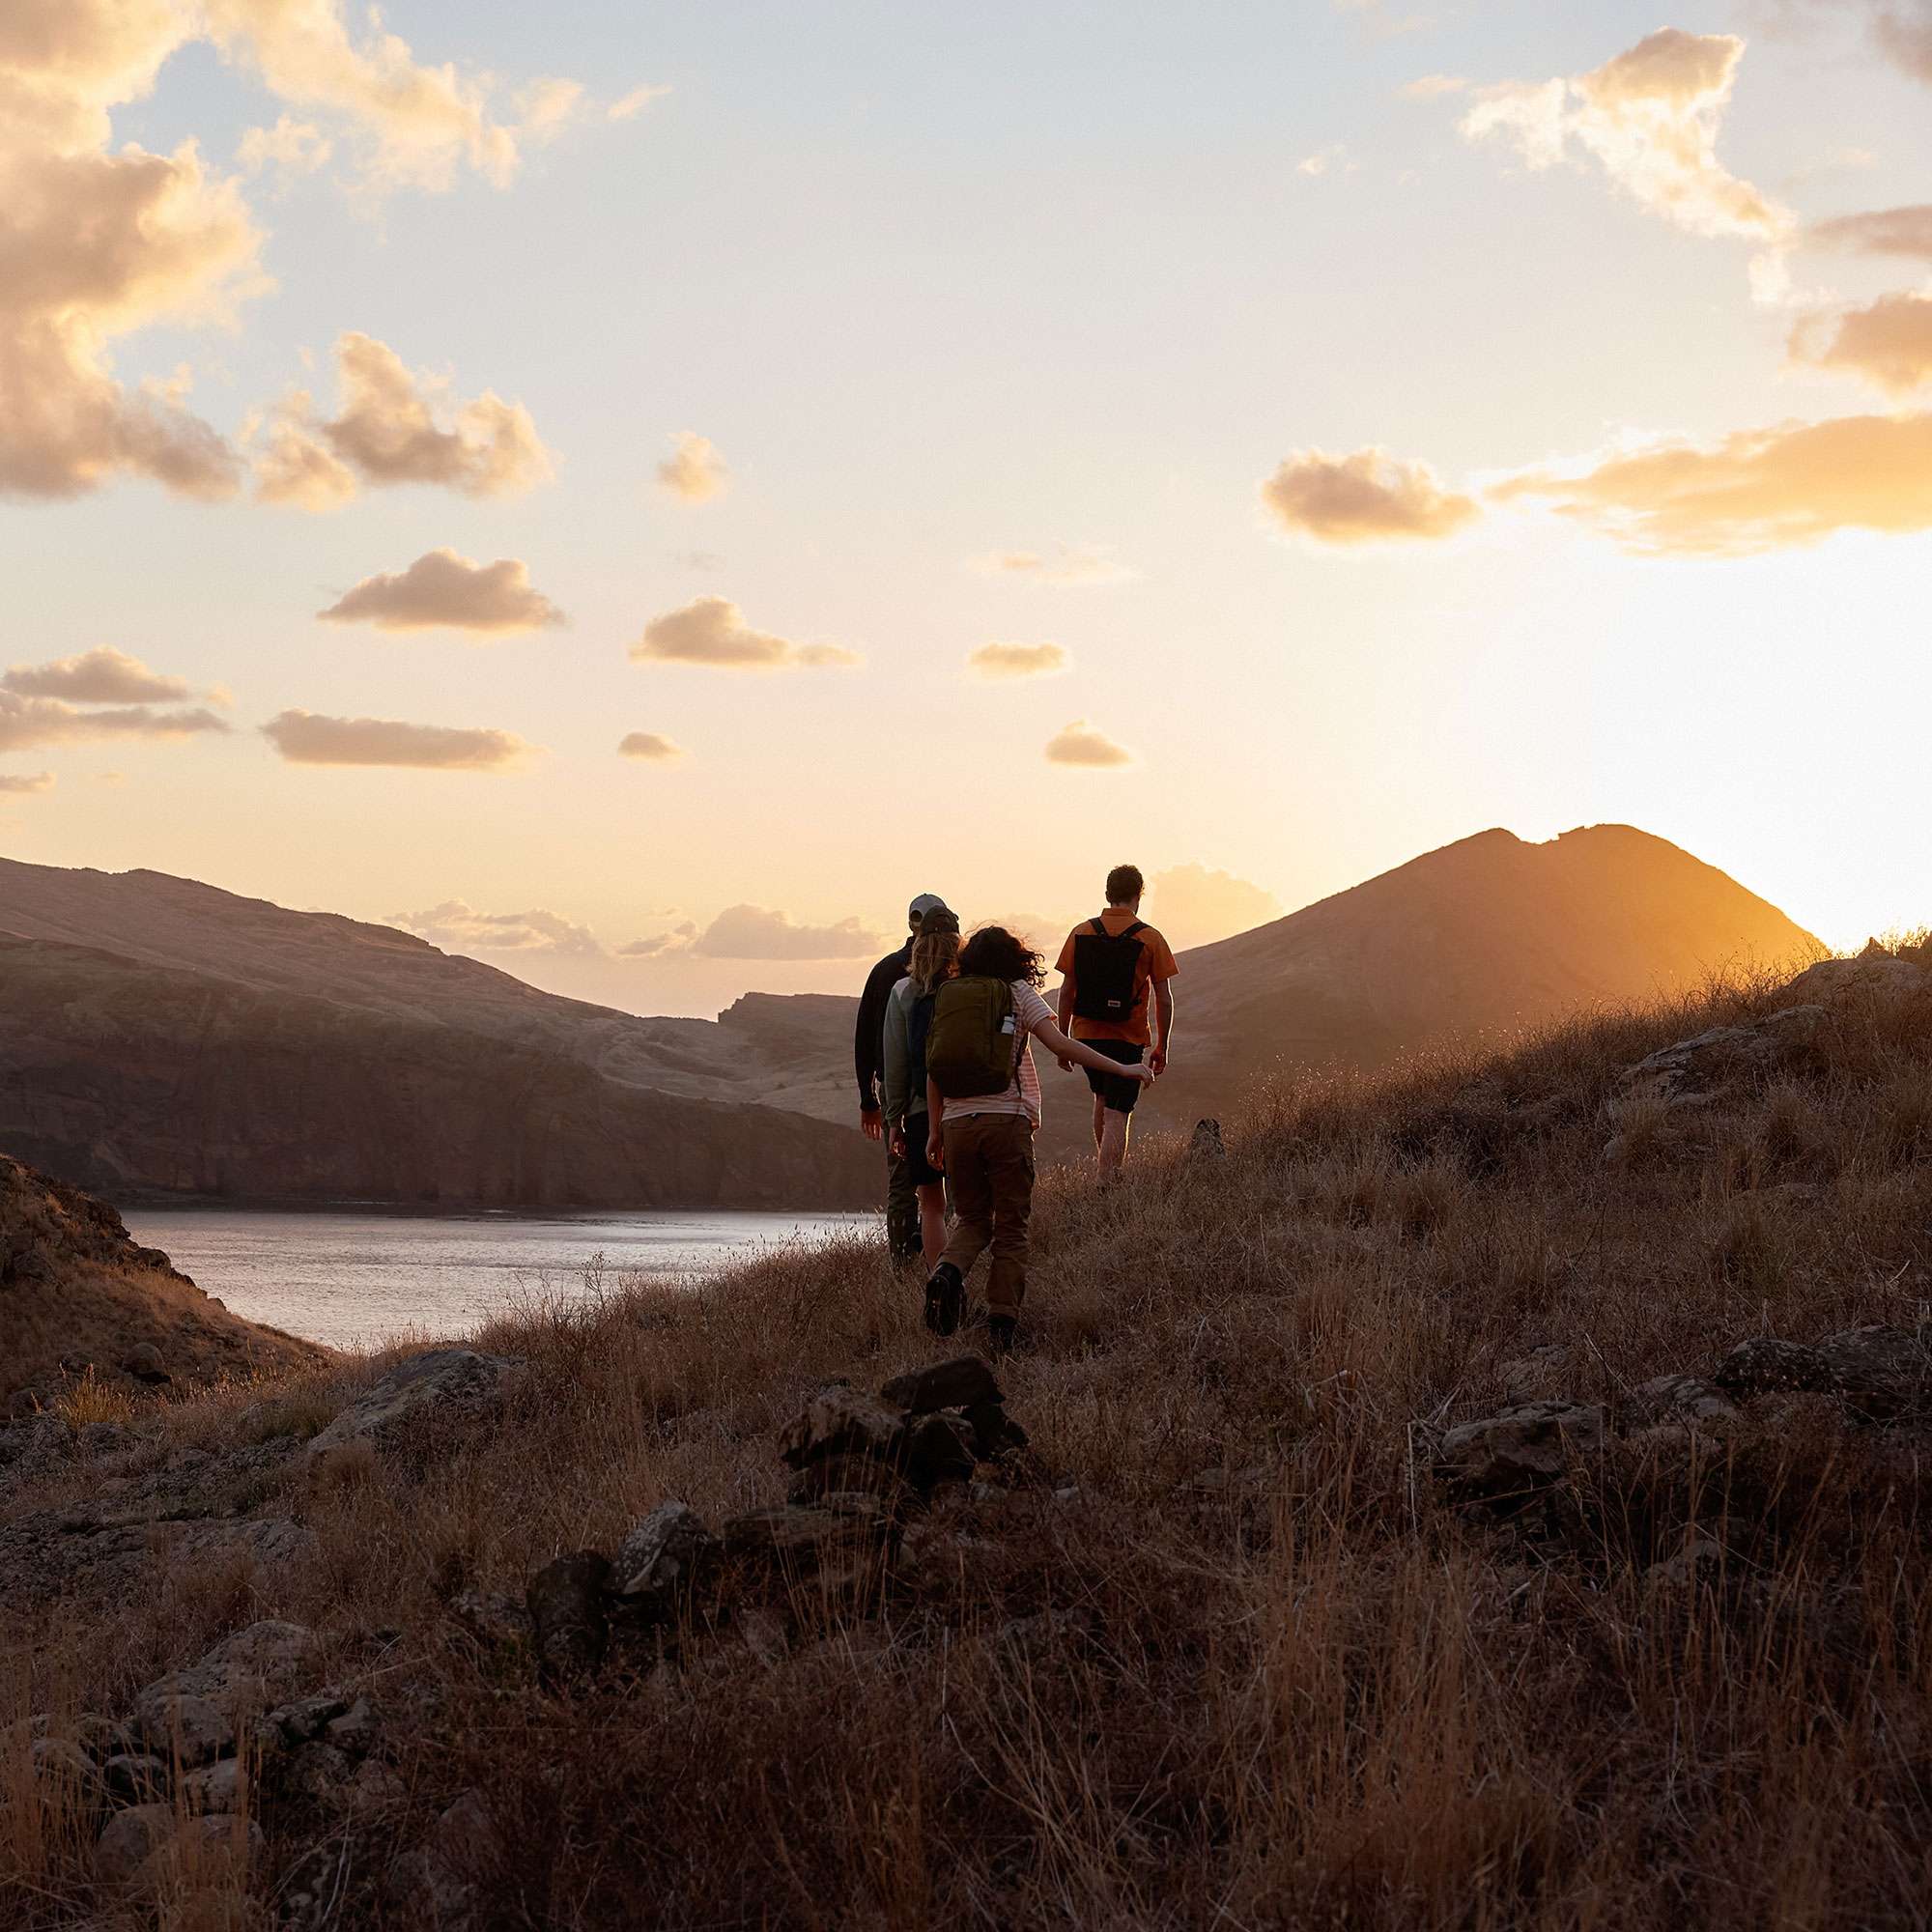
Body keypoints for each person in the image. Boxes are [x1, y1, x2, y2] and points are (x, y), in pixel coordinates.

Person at [923, 924, 1153, 1351]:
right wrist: (1123, 1069)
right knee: (1010, 1228)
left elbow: (934, 1068)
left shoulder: (950, 997)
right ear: (1015, 959)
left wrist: (936, 1130)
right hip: (1005, 1123)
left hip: (957, 1126)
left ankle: (946, 1273)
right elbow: (1062, 1046)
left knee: (972, 1218)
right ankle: (1001, 1324)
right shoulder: (1017, 993)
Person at [1054, 864, 1178, 1184]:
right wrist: (1162, 1044)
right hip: (1127, 1036)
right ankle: (1107, 1183)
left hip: (1086, 1036)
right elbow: (1164, 998)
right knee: (1117, 1113)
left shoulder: (1081, 932)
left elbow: (1067, 990)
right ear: (1139, 895)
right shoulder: (1151, 938)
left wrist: (1062, 1040)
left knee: (1102, 1099)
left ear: (1108, 895)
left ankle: (1106, 1174)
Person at [855, 893, 952, 1263]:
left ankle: (901, 1265)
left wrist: (871, 1102)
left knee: (903, 1187)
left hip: (906, 1101)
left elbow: (868, 1040)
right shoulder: (963, 973)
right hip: (957, 1097)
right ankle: (954, 1263)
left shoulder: (885, 972)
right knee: (955, 1188)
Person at [881, 909, 960, 1269]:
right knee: (971, 1204)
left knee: (931, 1205)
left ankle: (939, 1283)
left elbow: (894, 1064)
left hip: (917, 1112)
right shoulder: (971, 987)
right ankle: (966, 1274)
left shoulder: (902, 992)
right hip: (969, 1108)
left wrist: (893, 1118)